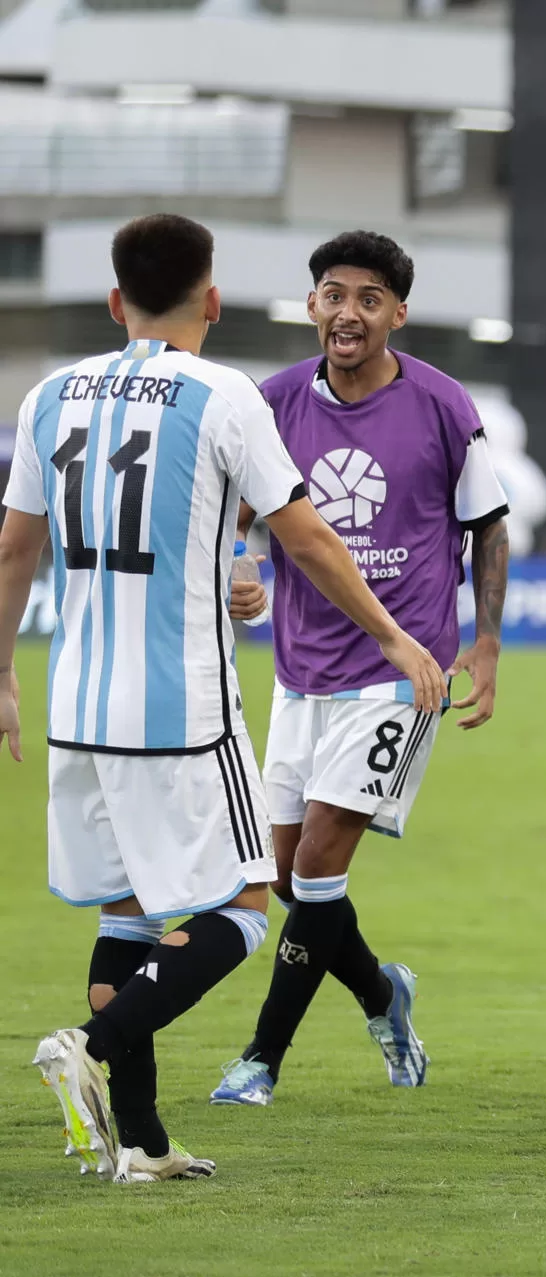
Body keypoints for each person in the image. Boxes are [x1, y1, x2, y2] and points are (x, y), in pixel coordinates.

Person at [0, 214, 444, 1181]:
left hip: (75, 703)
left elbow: (14, 549)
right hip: (181, 709)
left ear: (117, 302)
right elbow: (311, 537)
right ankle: (91, 1046)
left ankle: (143, 1143)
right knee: (246, 908)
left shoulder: (48, 396)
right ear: (212, 299)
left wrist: (2, 671)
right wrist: (394, 634)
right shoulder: (224, 395)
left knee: (127, 919)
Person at [209, 230, 510, 1107]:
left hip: (403, 665)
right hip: (301, 673)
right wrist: (241, 559)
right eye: (334, 294)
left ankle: (261, 1059)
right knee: (289, 876)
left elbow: (487, 525)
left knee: (319, 870)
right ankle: (384, 996)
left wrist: (484, 644)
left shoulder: (446, 405)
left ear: (398, 314)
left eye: (369, 298)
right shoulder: (268, 405)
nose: (349, 312)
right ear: (312, 305)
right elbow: (227, 501)